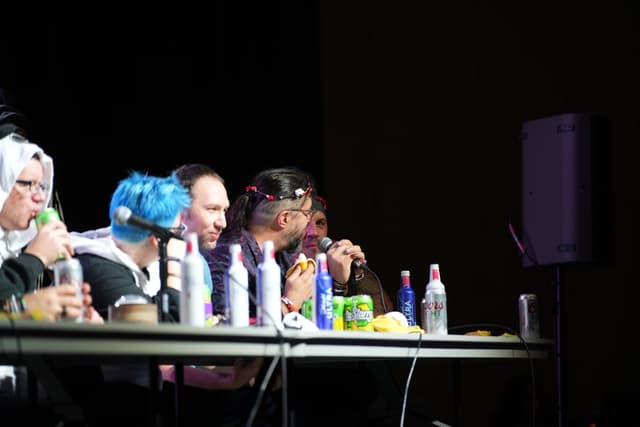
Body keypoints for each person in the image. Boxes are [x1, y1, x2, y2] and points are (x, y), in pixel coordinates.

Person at [205, 166, 367, 320]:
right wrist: (289, 302)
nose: (308, 223)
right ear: (284, 219)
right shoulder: (228, 256)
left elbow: (314, 322)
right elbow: (227, 327)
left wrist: (338, 280)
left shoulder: (283, 259)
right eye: (306, 213)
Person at [300, 189, 394, 316]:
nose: (314, 232)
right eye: (306, 224)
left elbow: (383, 317)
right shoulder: (279, 260)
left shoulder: (339, 256)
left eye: (320, 223)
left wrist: (357, 277)